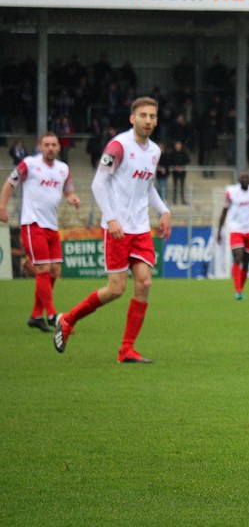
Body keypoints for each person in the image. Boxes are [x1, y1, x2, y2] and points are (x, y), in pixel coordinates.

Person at [53, 97, 171, 363]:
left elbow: (148, 187)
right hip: (117, 229)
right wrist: (111, 218)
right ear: (132, 118)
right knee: (116, 289)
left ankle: (127, 349)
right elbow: (98, 183)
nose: (148, 120)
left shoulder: (154, 151)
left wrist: (164, 211)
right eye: (143, 115)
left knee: (145, 283)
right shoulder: (118, 146)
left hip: (140, 229)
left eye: (152, 116)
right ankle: (68, 320)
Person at [0, 132, 81, 332]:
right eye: (47, 144)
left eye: (54, 144)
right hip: (32, 224)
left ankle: (36, 315)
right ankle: (52, 314)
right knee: (43, 268)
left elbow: (68, 191)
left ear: (59, 147)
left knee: (54, 271)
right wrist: (2, 207)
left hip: (52, 226)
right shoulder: (29, 164)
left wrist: (72, 198)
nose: (50, 148)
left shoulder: (63, 169)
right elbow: (10, 183)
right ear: (40, 146)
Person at [217, 171, 249, 300]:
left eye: (247, 177)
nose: (244, 179)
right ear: (239, 179)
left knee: (246, 263)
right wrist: (219, 230)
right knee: (238, 257)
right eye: (242, 177)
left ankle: (240, 290)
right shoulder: (231, 192)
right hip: (235, 228)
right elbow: (224, 211)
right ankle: (237, 290)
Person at [170, 140, 190, 205]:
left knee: (182, 186)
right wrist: (175, 166)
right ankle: (174, 200)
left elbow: (187, 160)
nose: (178, 147)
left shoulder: (184, 153)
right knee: (175, 186)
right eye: (177, 146)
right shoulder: (172, 153)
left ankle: (183, 200)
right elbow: (170, 160)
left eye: (179, 146)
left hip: (182, 172)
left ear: (181, 146)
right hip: (175, 172)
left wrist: (182, 167)